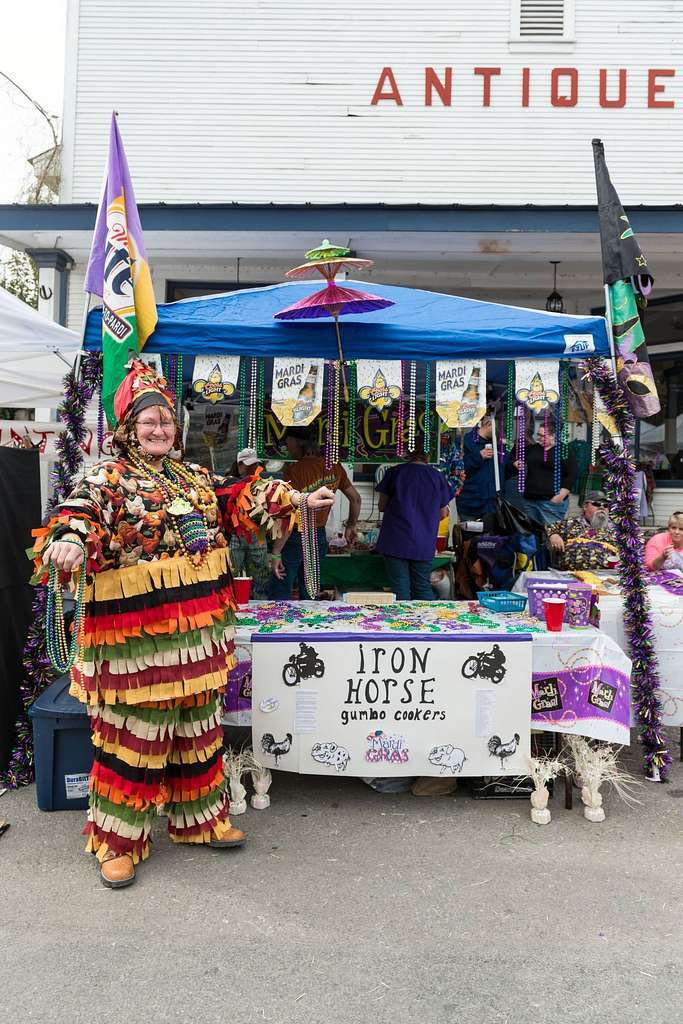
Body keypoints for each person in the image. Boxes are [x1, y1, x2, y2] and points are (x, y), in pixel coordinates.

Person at [34, 361, 334, 889]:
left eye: (166, 422)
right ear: (127, 427)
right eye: (148, 421)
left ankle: (197, 822)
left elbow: (241, 495)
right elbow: (77, 513)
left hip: (199, 640)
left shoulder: (192, 476)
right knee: (134, 738)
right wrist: (70, 540)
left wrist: (299, 499)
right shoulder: (107, 478)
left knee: (198, 732)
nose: (159, 430)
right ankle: (117, 842)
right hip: (136, 646)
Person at [270, 427, 361, 599]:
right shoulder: (334, 467)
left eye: (288, 443)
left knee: (281, 586)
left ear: (298, 443)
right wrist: (351, 525)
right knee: (311, 591)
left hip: (295, 535)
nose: (287, 447)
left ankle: (278, 625)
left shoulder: (293, 470)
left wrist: (276, 551)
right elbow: (356, 499)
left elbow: (289, 513)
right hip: (318, 535)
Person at [375, 450, 452, 600]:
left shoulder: (394, 473)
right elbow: (443, 513)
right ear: (428, 455)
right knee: (422, 588)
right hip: (424, 541)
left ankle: (401, 622)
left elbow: (382, 506)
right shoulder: (437, 477)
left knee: (400, 590)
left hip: (396, 540)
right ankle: (425, 622)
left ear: (406, 453)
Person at [506, 420, 577, 526]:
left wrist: (561, 496)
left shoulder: (564, 451)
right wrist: (515, 462)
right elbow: (513, 455)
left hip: (551, 502)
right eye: (538, 434)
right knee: (532, 532)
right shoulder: (533, 449)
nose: (538, 438)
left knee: (551, 534)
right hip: (530, 501)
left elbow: (572, 474)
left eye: (542, 435)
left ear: (553, 436)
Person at [227, 447, 271, 598]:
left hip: (257, 535)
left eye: (255, 464)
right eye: (248, 464)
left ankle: (260, 606)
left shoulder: (265, 485)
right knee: (233, 574)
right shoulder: (227, 484)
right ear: (239, 465)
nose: (252, 468)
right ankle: (233, 605)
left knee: (261, 577)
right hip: (235, 536)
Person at [547, 490, 618, 570]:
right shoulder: (570, 523)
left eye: (605, 506)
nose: (601, 507)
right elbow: (549, 527)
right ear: (585, 506)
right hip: (570, 574)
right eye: (596, 504)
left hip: (606, 576)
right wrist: (554, 535)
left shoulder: (617, 530)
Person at [455, 415, 497, 522]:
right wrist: (479, 456)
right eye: (497, 428)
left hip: (491, 505)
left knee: (489, 538)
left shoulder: (497, 444)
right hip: (469, 502)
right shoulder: (465, 441)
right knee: (468, 536)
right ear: (488, 425)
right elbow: (457, 468)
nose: (499, 432)